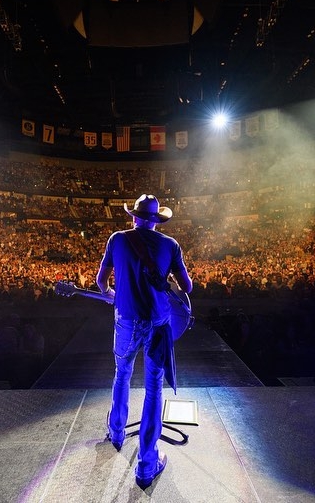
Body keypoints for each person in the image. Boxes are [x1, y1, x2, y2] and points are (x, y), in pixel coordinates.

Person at [96, 194, 193, 489]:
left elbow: (101, 282)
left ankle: (116, 434)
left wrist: (116, 293)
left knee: (121, 376)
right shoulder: (171, 245)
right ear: (156, 220)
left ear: (133, 216)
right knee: (153, 390)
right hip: (158, 324)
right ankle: (147, 466)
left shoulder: (117, 239)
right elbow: (187, 287)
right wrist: (170, 282)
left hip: (126, 320)